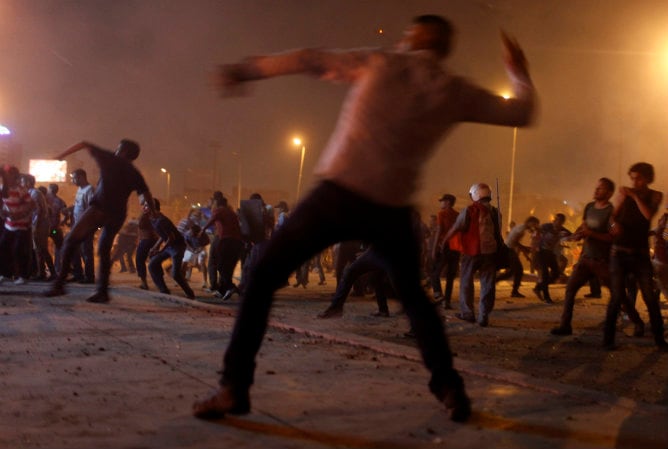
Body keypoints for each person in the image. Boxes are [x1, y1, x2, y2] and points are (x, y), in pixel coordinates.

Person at [192, 14, 536, 423]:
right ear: (445, 49)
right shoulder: (454, 91)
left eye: (408, 33)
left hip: (338, 192)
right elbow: (521, 113)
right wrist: (518, 72)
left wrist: (246, 70)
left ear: (415, 38)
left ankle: (234, 387)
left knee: (264, 276)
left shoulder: (381, 62)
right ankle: (450, 389)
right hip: (392, 208)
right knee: (415, 299)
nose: (403, 37)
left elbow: (309, 59)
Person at [44, 139, 154, 303]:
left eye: (118, 148)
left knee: (70, 241)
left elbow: (83, 143)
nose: (115, 150)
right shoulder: (134, 173)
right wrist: (149, 210)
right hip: (117, 215)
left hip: (99, 208)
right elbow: (145, 195)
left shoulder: (111, 159)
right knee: (103, 250)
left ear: (122, 151)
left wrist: (61, 155)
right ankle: (102, 291)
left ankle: (59, 284)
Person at [550, 178, 644, 336]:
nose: (596, 191)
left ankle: (637, 321)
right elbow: (584, 225)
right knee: (570, 288)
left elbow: (613, 236)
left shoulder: (611, 213)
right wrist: (576, 235)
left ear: (608, 193)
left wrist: (591, 234)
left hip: (602, 262)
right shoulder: (589, 207)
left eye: (600, 189)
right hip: (585, 259)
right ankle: (565, 325)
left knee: (619, 294)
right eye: (596, 188)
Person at [603, 162, 668, 350]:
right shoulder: (624, 194)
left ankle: (659, 340)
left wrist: (634, 196)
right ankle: (608, 340)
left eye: (638, 178)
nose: (634, 181)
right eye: (632, 178)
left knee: (649, 297)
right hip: (619, 252)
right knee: (616, 297)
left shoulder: (655, 195)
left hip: (640, 255)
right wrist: (614, 227)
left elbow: (648, 215)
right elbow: (611, 218)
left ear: (647, 179)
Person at [443, 183, 503, 327]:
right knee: (487, 285)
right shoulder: (496, 212)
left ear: (475, 195)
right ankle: (483, 316)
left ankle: (468, 313)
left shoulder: (469, 210)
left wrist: (444, 241)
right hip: (490, 252)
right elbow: (498, 232)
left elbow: (457, 227)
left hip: (471, 252)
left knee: (466, 283)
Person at [146, 200, 196, 300]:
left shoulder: (161, 220)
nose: (144, 207)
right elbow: (162, 236)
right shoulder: (153, 219)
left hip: (177, 246)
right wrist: (155, 248)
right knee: (152, 264)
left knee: (175, 274)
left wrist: (160, 251)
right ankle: (163, 291)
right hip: (169, 246)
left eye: (146, 206)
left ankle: (190, 293)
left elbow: (171, 237)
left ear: (152, 208)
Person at [200, 195, 243, 300]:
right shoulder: (231, 212)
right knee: (227, 266)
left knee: (220, 265)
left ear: (217, 204)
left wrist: (202, 230)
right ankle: (223, 290)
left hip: (226, 240)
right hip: (237, 242)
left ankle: (230, 287)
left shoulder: (219, 210)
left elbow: (212, 219)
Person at [0, 166, 35, 284]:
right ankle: (6, 274)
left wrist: (20, 215)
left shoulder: (21, 189)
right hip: (9, 225)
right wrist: (3, 213)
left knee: (19, 250)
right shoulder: (2, 188)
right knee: (3, 248)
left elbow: (32, 205)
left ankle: (23, 276)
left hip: (22, 224)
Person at [430, 193, 460, 309]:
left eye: (442, 201)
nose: (441, 203)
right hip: (455, 248)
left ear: (447, 202)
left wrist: (434, 249)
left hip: (445, 247)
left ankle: (438, 295)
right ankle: (447, 302)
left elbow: (439, 231)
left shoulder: (441, 214)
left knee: (435, 273)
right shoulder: (457, 215)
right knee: (450, 277)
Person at [496, 216, 539, 297]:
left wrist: (524, 248)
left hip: (508, 249)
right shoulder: (521, 229)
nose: (534, 226)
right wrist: (524, 248)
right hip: (509, 250)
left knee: (513, 271)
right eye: (534, 224)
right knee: (518, 270)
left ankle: (497, 281)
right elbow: (514, 241)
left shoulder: (521, 227)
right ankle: (514, 291)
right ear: (530, 222)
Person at [533, 213, 571, 303]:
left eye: (559, 221)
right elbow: (536, 234)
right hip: (541, 252)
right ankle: (547, 297)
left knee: (556, 274)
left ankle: (538, 287)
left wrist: (574, 235)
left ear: (562, 222)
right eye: (556, 220)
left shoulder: (562, 230)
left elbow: (571, 235)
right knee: (545, 274)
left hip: (550, 253)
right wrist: (535, 245)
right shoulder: (546, 227)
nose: (556, 222)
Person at [68, 168, 96, 284]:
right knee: (75, 250)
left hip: (85, 226)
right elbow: (78, 206)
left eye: (74, 178)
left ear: (81, 177)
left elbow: (91, 209)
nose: (72, 180)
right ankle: (77, 274)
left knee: (86, 251)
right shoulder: (80, 189)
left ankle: (89, 276)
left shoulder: (90, 190)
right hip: (76, 225)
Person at [45, 183, 68, 276]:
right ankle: (57, 267)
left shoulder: (45, 199)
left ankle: (43, 267)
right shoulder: (60, 201)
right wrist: (63, 221)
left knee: (42, 248)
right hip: (55, 228)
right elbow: (66, 213)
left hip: (45, 228)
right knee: (58, 247)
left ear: (50, 189)